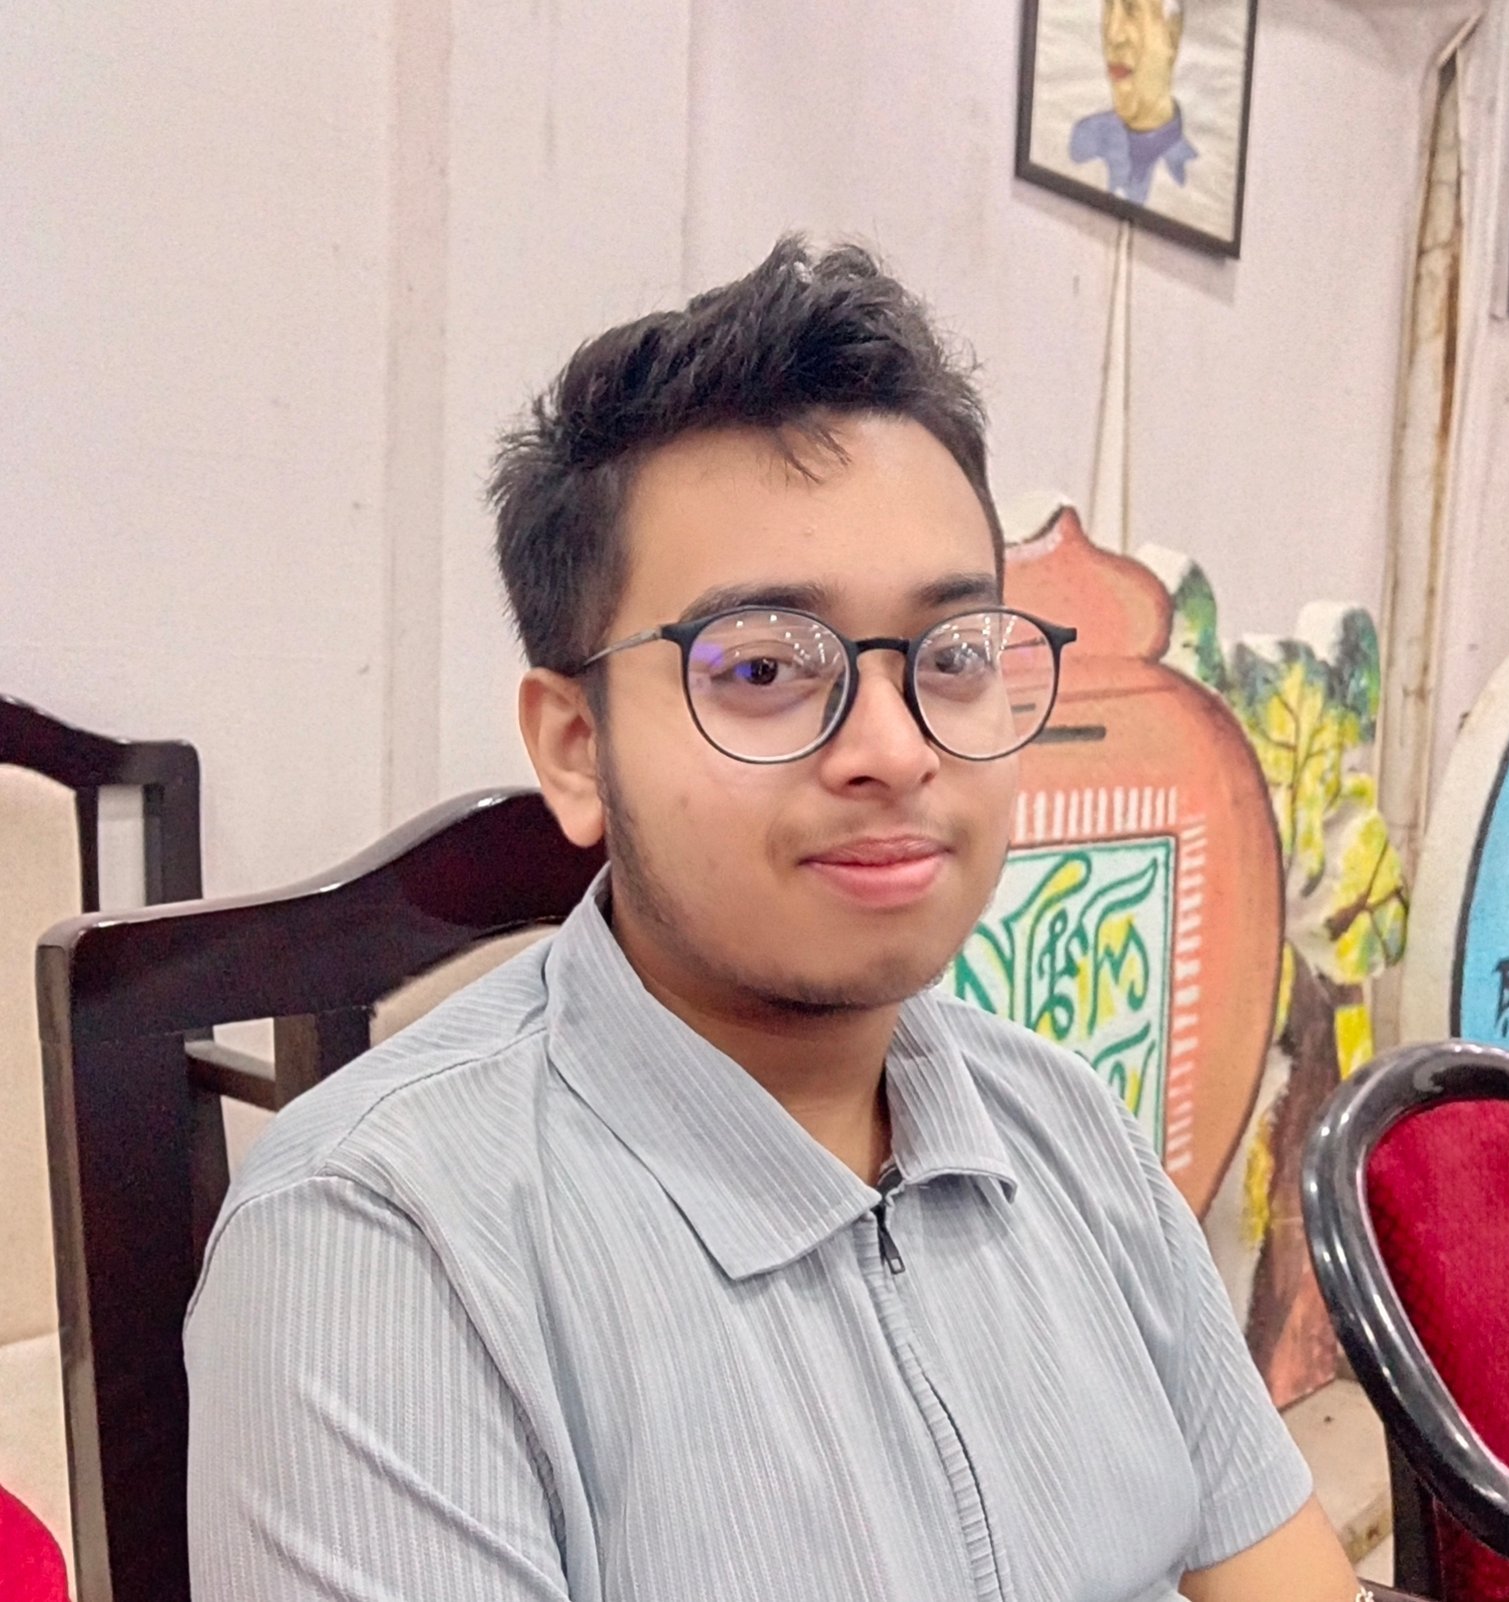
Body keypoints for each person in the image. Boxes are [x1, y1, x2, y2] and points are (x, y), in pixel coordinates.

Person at [185, 237, 1364, 1601]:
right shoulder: (385, 1249)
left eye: (954, 655)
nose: (897, 749)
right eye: (761, 669)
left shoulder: (1065, 1129)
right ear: (576, 746)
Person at [1070, 0, 1197, 205]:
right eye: (1109, 6)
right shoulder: (1084, 139)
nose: (1113, 35)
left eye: (1132, 9)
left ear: (1172, 36)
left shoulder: (1196, 180)